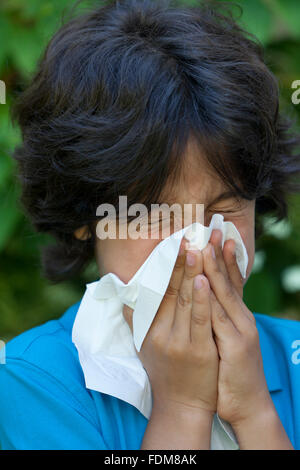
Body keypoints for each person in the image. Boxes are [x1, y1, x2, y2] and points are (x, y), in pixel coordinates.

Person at [0, 0, 299, 450]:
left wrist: (255, 412)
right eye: (155, 214)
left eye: (223, 210)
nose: (195, 246)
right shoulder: (35, 383)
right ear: (85, 215)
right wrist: (181, 409)